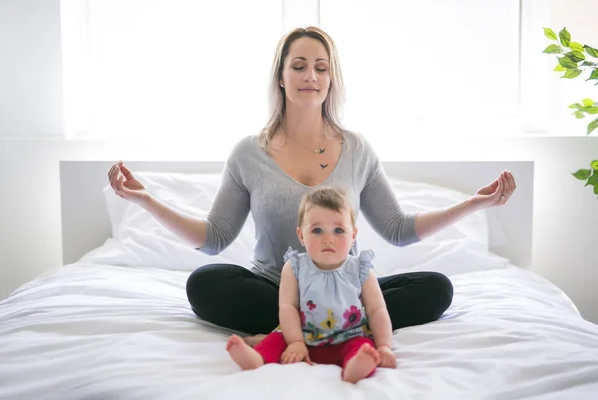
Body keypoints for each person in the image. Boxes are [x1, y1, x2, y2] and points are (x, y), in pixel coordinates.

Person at [107, 26, 516, 346]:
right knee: (204, 283)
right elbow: (214, 238)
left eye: (321, 68)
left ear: (331, 80)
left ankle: (314, 327)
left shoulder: (357, 149)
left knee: (436, 288)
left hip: (346, 288)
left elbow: (397, 229)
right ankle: (336, 330)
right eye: (299, 65)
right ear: (281, 77)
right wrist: (145, 200)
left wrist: (472, 205)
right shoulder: (249, 153)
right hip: (272, 288)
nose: (310, 76)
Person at [226, 187, 395, 383]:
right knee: (276, 339)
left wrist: (384, 346)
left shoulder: (361, 269)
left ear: (354, 235)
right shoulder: (295, 267)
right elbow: (288, 307)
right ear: (301, 235)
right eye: (317, 230)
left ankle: (354, 367)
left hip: (347, 337)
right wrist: (296, 342)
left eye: (339, 230)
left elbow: (377, 310)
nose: (328, 239)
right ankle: (257, 358)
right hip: (303, 338)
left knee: (362, 345)